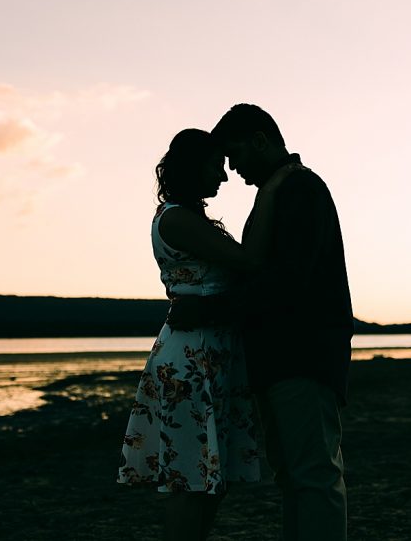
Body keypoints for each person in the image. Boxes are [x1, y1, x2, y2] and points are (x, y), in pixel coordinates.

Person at [168, 104, 354, 541]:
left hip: (300, 355)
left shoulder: (300, 189)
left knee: (311, 475)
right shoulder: (280, 190)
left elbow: (286, 280)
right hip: (280, 358)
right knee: (295, 476)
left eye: (234, 156)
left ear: (259, 140)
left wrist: (209, 311)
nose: (232, 171)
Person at [117, 128, 299, 541]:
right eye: (217, 167)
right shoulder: (177, 218)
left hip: (214, 352)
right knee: (190, 478)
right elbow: (250, 261)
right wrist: (269, 193)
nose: (223, 177)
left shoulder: (191, 218)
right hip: (191, 357)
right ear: (193, 167)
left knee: (212, 477)